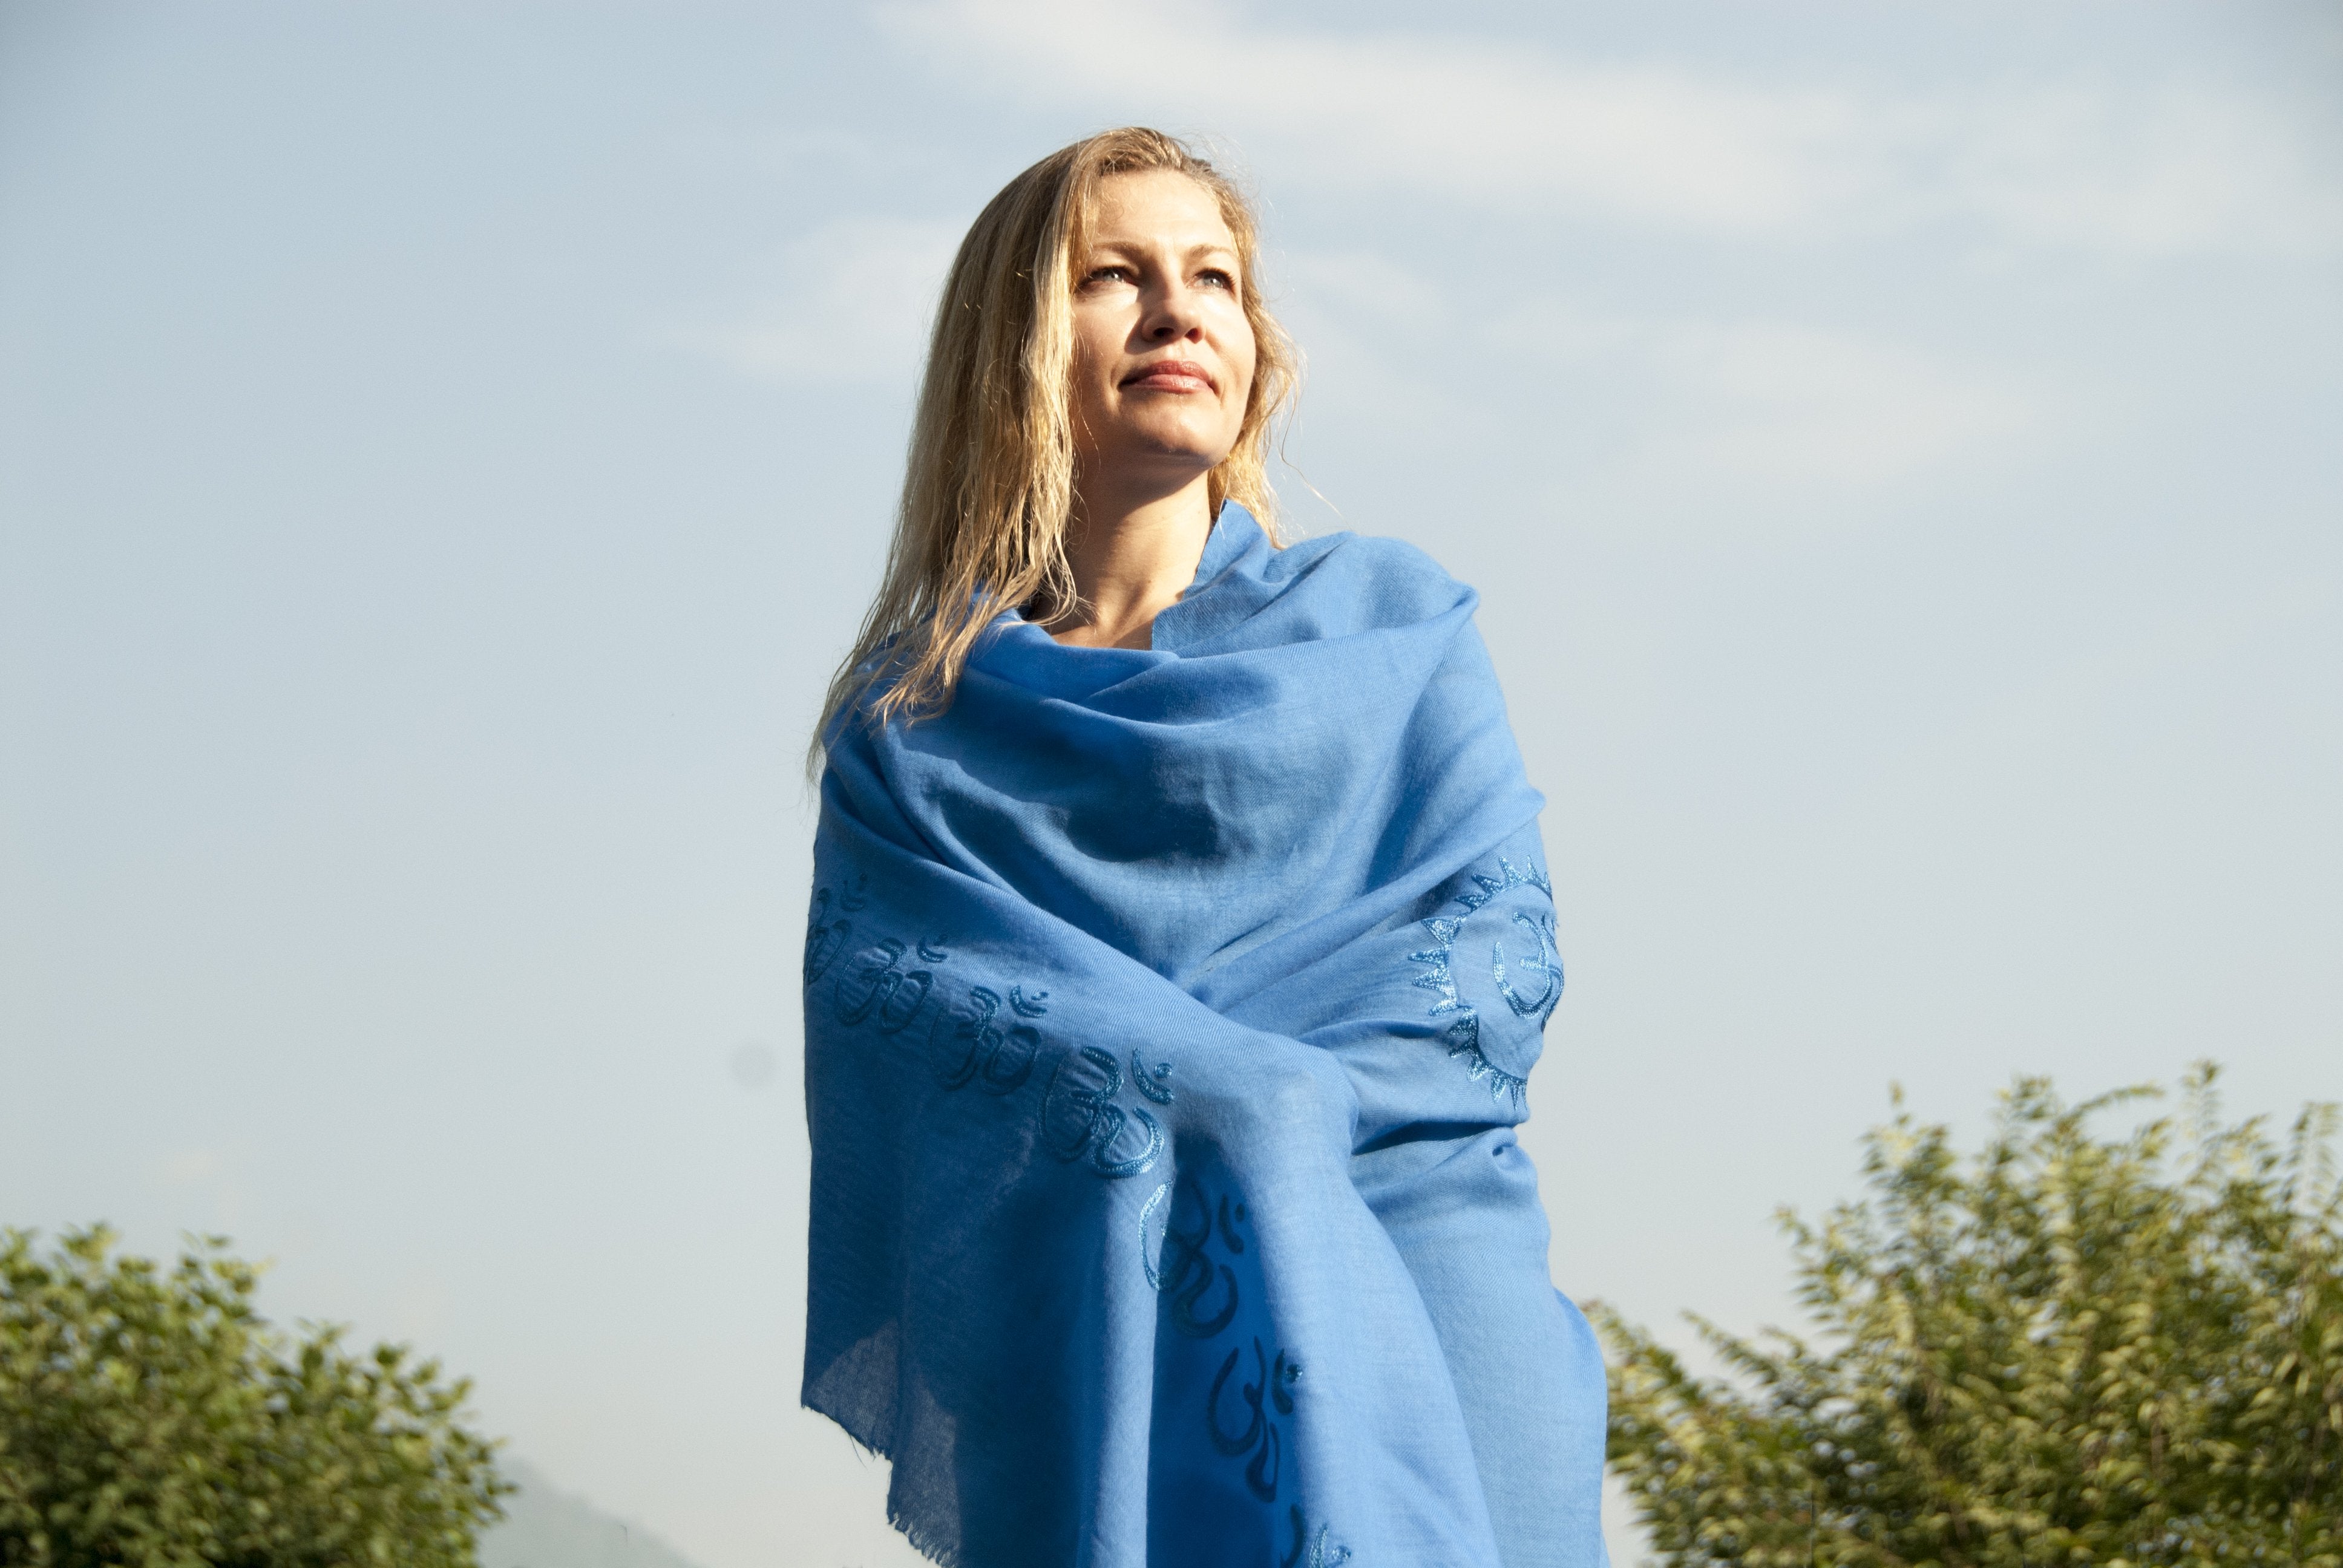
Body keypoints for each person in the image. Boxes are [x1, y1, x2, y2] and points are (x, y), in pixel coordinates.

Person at [801, 128, 1609, 1568]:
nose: (1180, 310)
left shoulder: (1392, 629)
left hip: (1430, 1288)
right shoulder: (914, 730)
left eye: (1215, 278)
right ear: (1016, 349)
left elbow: (1484, 978)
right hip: (1089, 1347)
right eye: (1117, 276)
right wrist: (1214, 1089)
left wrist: (1243, 1097)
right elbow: (918, 1052)